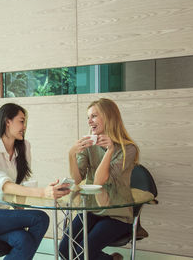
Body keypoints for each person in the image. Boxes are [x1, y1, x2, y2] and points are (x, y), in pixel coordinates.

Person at [0, 103, 70, 260]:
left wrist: (19, 215)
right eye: (21, 121)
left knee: (23, 239)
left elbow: (20, 186)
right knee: (41, 218)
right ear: (7, 121)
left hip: (1, 215)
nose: (25, 126)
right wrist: (44, 192)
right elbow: (6, 186)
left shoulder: (24, 148)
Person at [59, 98, 139, 260]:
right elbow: (77, 178)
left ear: (109, 117)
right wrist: (71, 154)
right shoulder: (90, 145)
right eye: (88, 117)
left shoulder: (128, 149)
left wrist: (110, 150)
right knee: (65, 250)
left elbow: (98, 182)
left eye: (94, 116)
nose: (89, 121)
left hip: (117, 215)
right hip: (91, 210)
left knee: (84, 255)